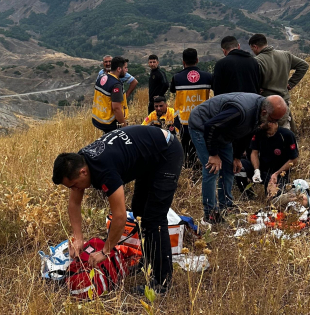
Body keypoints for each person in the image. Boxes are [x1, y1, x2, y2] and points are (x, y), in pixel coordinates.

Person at [52, 125, 183, 294]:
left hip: (166, 153)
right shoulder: (79, 162)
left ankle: (161, 283)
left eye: (74, 185)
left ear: (83, 172)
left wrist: (105, 251)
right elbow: (74, 204)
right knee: (139, 213)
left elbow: (119, 216)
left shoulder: (104, 170)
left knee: (154, 219)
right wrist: (77, 237)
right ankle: (149, 261)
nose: (75, 190)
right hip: (148, 154)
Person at [188, 93, 288, 228]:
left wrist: (236, 157)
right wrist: (213, 154)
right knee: (212, 169)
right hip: (202, 126)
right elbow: (211, 126)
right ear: (265, 112)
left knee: (229, 168)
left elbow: (246, 133)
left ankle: (226, 206)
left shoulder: (259, 113)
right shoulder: (240, 111)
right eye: (273, 119)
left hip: (223, 132)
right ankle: (210, 215)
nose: (273, 123)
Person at [249, 33, 309, 132]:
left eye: (252, 49)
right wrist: (291, 83)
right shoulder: (285, 55)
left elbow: (253, 81)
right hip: (284, 102)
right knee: (285, 132)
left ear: (255, 46)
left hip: (267, 104)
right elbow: (304, 65)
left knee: (267, 133)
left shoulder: (257, 61)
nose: (253, 52)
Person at [169, 48, 212, 173]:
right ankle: (204, 170)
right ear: (197, 60)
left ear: (183, 62)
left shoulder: (177, 77)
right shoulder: (208, 77)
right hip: (203, 120)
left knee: (187, 151)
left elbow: (172, 90)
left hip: (184, 121)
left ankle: (190, 173)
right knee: (203, 148)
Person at [235, 121, 299, 196]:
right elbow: (254, 152)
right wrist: (256, 170)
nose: (260, 125)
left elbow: (294, 159)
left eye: (262, 123)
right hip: (262, 168)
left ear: (270, 123)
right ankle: (248, 195)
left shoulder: (286, 135)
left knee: (273, 196)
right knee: (238, 165)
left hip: (279, 172)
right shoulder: (259, 132)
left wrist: (277, 173)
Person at [91, 56, 129, 133]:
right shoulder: (116, 85)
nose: (126, 70)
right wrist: (125, 127)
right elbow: (116, 108)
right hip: (110, 123)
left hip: (98, 119)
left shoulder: (101, 77)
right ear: (119, 69)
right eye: (125, 68)